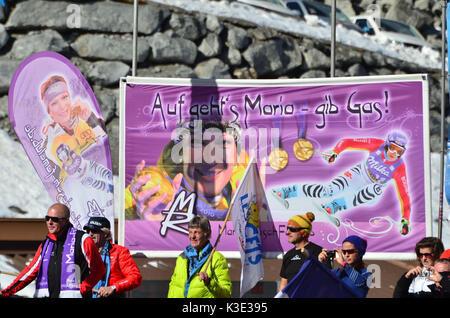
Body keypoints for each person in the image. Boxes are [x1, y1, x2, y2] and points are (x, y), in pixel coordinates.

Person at [272, 130, 412, 235]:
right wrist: (335, 152)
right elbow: (347, 142)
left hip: (373, 189)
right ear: (387, 144)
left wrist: (405, 219)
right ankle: (286, 191)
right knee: (327, 190)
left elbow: (404, 196)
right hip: (360, 173)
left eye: (399, 151)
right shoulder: (377, 144)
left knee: (375, 188)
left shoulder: (400, 167)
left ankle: (334, 206)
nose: (394, 153)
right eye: (392, 147)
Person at [126, 118, 249, 221]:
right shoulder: (144, 195)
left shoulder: (249, 193)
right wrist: (146, 226)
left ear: (237, 155)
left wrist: (241, 225)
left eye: (222, 144)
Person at [0, 203, 105, 298]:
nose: (49, 222)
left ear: (66, 221)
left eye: (54, 219)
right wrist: (6, 292)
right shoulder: (46, 244)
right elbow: (30, 272)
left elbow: (99, 269)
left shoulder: (82, 239)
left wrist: (83, 288)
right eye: (47, 218)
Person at [40, 75, 107, 171]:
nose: (62, 106)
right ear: (50, 113)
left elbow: (107, 145)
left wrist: (91, 119)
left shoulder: (85, 120)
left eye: (64, 97)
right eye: (54, 103)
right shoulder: (53, 143)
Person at [167, 215, 232, 298]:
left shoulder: (217, 259)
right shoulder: (182, 257)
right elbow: (173, 286)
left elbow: (226, 294)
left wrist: (209, 282)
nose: (192, 236)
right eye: (190, 232)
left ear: (207, 235)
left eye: (196, 232)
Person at [83, 217, 142, 298]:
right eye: (88, 231)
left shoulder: (119, 251)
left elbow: (135, 277)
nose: (90, 234)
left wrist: (113, 287)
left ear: (105, 233)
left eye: (94, 231)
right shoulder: (83, 251)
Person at [278, 212, 323, 292]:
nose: (287, 232)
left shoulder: (318, 251)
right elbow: (283, 285)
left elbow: (325, 281)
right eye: (287, 228)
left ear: (303, 232)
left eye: (292, 229)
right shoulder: (288, 255)